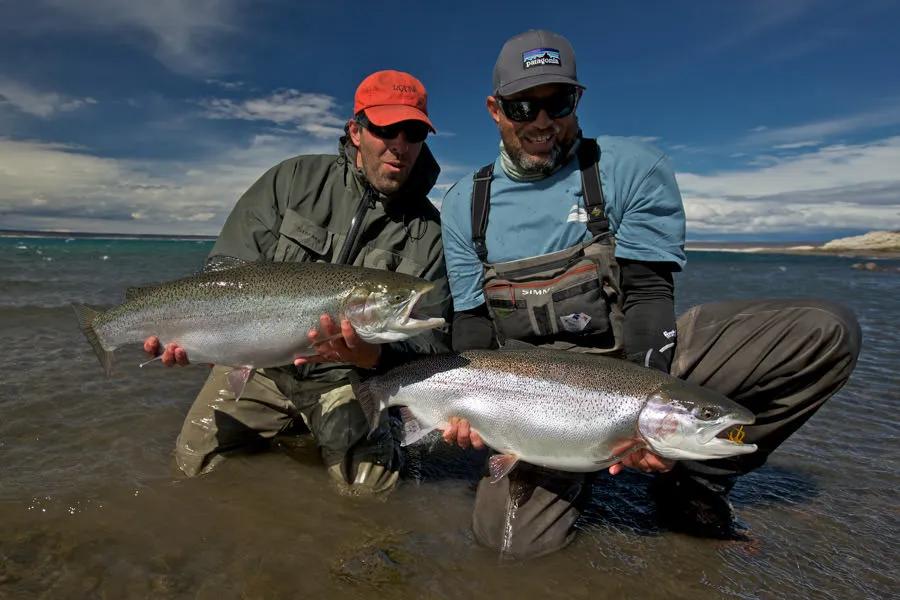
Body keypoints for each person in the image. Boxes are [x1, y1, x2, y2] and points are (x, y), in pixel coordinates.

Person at [439, 30, 861, 558]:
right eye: (524, 106)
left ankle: (699, 478)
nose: (542, 122)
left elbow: (648, 298)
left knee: (824, 331)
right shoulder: (463, 205)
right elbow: (473, 324)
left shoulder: (632, 169)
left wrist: (646, 420)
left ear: (578, 100)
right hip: (532, 396)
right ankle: (572, 457)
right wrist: (470, 412)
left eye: (558, 103)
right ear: (494, 110)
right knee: (511, 552)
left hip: (633, 360)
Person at [145, 70, 451, 494]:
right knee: (192, 469)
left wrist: (375, 359)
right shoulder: (292, 181)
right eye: (385, 128)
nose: (399, 144)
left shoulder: (430, 231)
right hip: (259, 368)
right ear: (356, 131)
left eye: (413, 131)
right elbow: (224, 273)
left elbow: (433, 343)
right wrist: (193, 342)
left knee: (371, 496)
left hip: (349, 381)